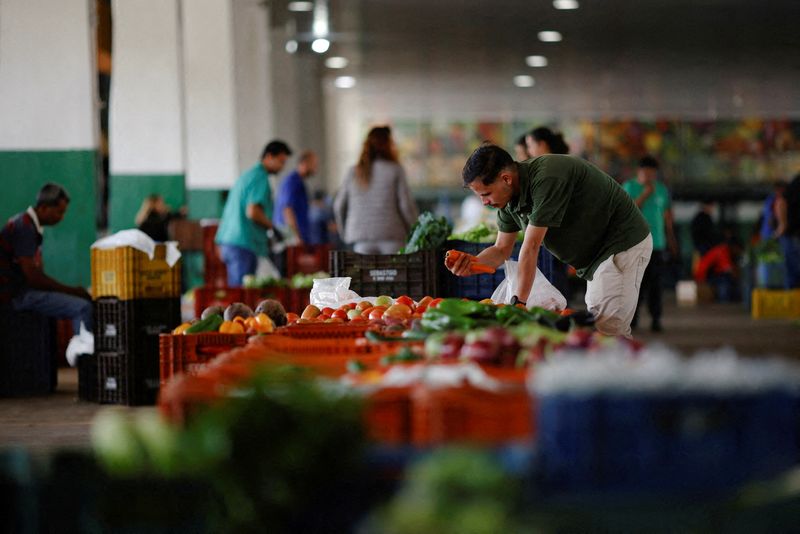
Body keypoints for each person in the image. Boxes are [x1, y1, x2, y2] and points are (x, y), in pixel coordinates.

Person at [449, 144, 651, 338]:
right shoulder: (508, 201)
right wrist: (472, 263)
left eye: (486, 194)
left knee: (609, 332)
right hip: (595, 259)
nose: (484, 202)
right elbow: (501, 250)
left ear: (506, 179)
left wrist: (518, 304)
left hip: (621, 244)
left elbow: (531, 247)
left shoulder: (547, 177)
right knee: (598, 330)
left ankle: (631, 372)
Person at [0, 183, 92, 334]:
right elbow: (33, 277)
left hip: (20, 292)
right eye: (59, 212)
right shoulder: (24, 227)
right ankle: (83, 356)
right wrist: (72, 291)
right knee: (83, 308)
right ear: (43, 208)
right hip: (15, 295)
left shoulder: (29, 225)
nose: (61, 218)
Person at [215, 140, 292, 286]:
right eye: (281, 161)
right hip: (242, 243)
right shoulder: (260, 178)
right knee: (241, 297)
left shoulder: (249, 175)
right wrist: (273, 228)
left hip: (230, 241)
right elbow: (253, 212)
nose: (282, 167)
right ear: (269, 157)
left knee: (239, 292)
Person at [333, 126, 418, 254]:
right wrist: (415, 231)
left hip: (361, 239)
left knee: (366, 274)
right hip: (391, 235)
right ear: (388, 145)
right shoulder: (395, 170)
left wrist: (344, 233)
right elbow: (405, 206)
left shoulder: (353, 172)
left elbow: (339, 206)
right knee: (395, 274)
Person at [622, 156, 678, 332]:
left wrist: (672, 239)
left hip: (658, 244)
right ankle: (633, 319)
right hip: (635, 244)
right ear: (638, 171)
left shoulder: (661, 189)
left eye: (653, 173)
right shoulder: (629, 187)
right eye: (646, 172)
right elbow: (626, 211)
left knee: (656, 284)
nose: (650, 176)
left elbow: (667, 216)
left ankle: (656, 319)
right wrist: (645, 194)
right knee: (634, 284)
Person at [524, 126, 572, 303]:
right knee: (557, 272)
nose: (529, 151)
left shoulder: (550, 169)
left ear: (541, 144)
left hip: (555, 228)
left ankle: (560, 311)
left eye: (530, 145)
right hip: (557, 228)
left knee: (556, 273)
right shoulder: (555, 164)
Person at [274, 151, 318, 245]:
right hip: (290, 239)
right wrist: (296, 237)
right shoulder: (293, 182)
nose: (316, 168)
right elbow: (287, 209)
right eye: (313, 164)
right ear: (304, 163)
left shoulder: (299, 182)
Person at [774, 173, 800, 288]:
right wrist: (783, 224)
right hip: (792, 235)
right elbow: (781, 202)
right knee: (794, 272)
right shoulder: (798, 182)